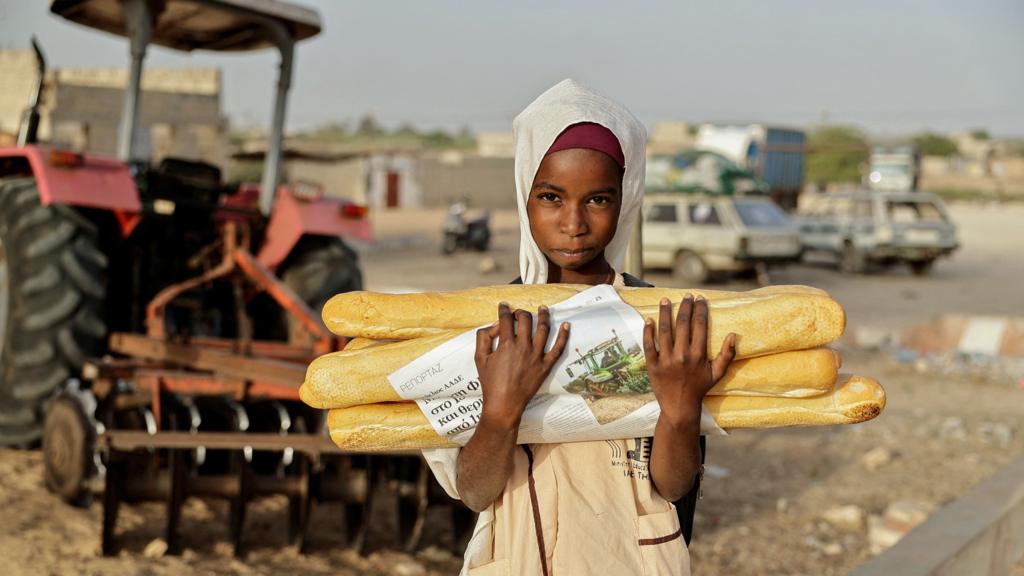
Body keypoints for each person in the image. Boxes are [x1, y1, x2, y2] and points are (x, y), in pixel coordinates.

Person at [423, 79, 736, 575]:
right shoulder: (486, 327)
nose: (574, 223)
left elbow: (674, 487)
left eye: (597, 200)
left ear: (626, 198)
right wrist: (501, 412)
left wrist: (679, 411)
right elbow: (475, 491)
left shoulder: (654, 321)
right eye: (551, 197)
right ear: (525, 194)